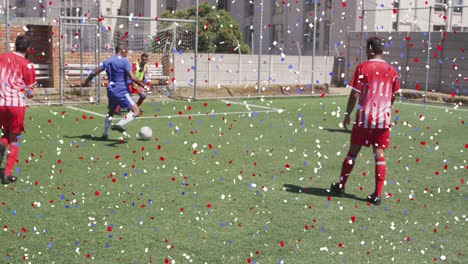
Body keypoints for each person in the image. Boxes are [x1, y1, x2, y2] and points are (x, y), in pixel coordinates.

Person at [330, 36, 401, 205]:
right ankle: (377, 195)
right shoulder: (391, 69)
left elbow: (354, 94)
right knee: (379, 154)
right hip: (383, 119)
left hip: (364, 118)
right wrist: (387, 107)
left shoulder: (362, 67)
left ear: (370, 49)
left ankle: (340, 186)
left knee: (353, 151)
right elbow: (395, 94)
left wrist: (347, 113)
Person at [82, 45, 149, 140]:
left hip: (111, 90)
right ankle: (119, 125)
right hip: (122, 90)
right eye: (126, 51)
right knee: (136, 111)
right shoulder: (125, 61)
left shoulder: (108, 61)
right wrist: (145, 86)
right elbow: (132, 77)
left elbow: (93, 72)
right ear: (122, 50)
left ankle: (105, 134)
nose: (127, 53)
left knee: (111, 112)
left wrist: (86, 81)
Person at [0, 35, 36, 184]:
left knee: (5, 133)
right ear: (28, 49)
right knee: (15, 138)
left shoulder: (2, 57)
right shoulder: (28, 65)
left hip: (0, 103)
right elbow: (30, 92)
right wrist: (28, 91)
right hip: (15, 106)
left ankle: (1, 145)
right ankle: (7, 174)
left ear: (15, 45)